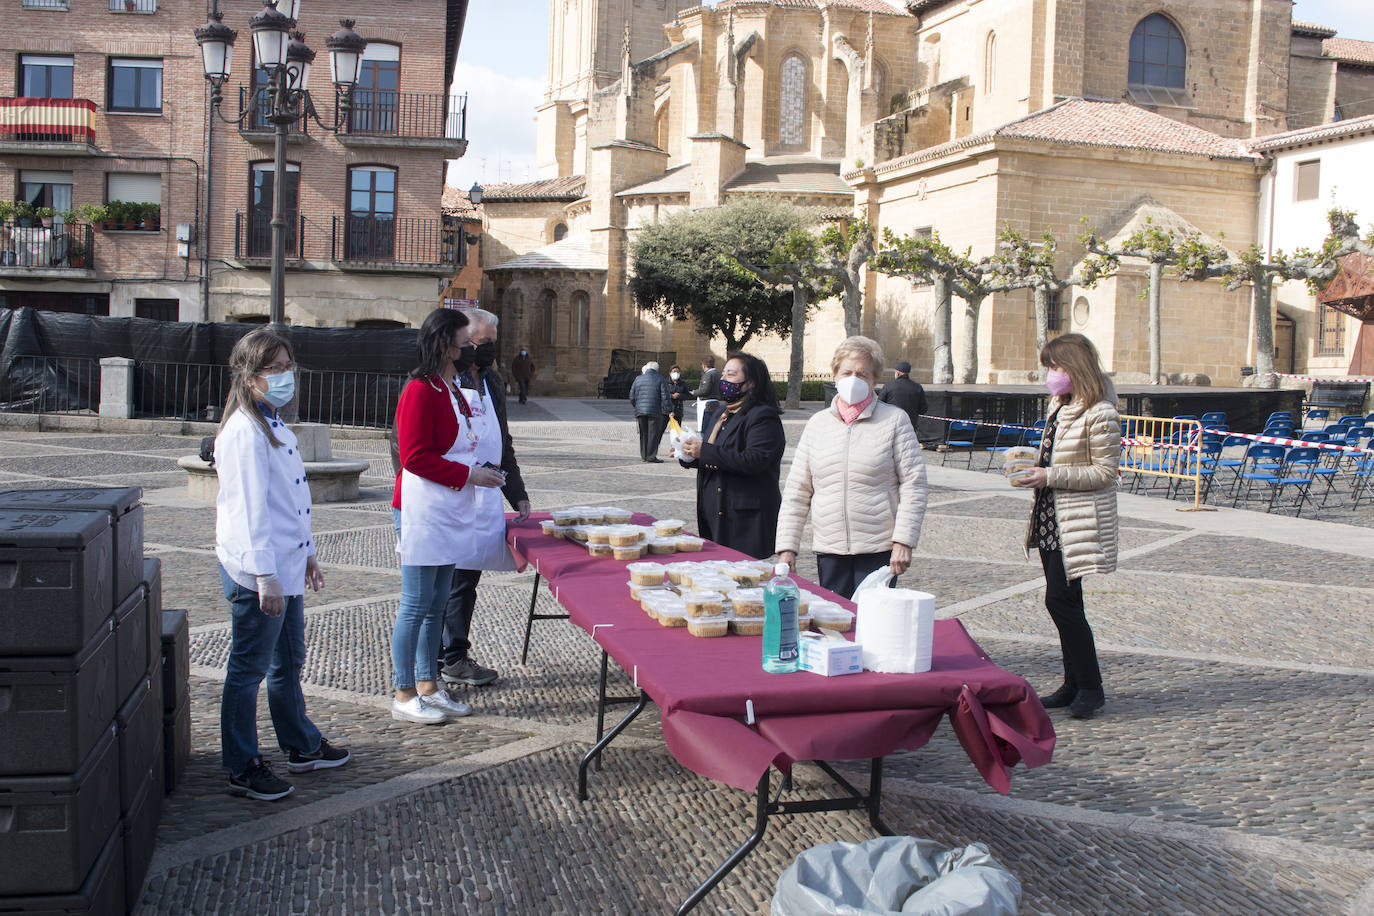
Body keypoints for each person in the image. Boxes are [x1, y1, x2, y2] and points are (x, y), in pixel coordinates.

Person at [214, 327, 349, 801]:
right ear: (250, 377)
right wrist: (265, 576)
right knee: (249, 669)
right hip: (259, 571)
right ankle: (241, 763)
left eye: (289, 366)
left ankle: (299, 743)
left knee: (288, 661)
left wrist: (307, 553)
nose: (285, 375)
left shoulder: (273, 425)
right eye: (274, 368)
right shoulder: (244, 432)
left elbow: (291, 502)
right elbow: (250, 511)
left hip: (285, 566)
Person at [391, 308, 506, 725]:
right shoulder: (420, 389)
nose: (469, 350)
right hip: (422, 507)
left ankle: (428, 685)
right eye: (463, 343)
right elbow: (414, 456)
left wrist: (483, 472)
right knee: (416, 603)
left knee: (437, 603)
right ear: (444, 343)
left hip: (448, 504)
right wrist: (469, 474)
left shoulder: (451, 388)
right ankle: (403, 690)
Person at [1010, 333, 1120, 720]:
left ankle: (1091, 687)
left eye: (1055, 367)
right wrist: (1032, 468)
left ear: (1074, 368)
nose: (1051, 375)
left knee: (1061, 601)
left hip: (1075, 520)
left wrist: (1050, 475)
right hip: (1051, 516)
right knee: (1067, 602)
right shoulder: (1061, 406)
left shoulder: (1100, 412)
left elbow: (1105, 472)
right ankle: (1073, 683)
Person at [776, 336, 928, 599]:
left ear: (874, 379)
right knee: (834, 623)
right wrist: (787, 547)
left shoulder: (894, 421)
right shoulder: (817, 424)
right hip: (830, 548)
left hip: (878, 547)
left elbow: (914, 485)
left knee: (873, 627)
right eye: (847, 372)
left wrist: (904, 541)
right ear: (835, 374)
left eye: (862, 374)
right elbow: (797, 491)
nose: (853, 379)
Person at [440, 309, 530, 689]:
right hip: (447, 494)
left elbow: (501, 439)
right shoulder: (442, 380)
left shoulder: (492, 379)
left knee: (466, 580)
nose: (485, 350)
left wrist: (518, 493)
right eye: (478, 343)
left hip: (484, 494)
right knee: (440, 582)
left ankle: (454, 656)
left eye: (491, 343)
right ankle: (435, 662)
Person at [678, 353, 785, 559]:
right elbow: (716, 453)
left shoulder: (762, 416)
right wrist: (689, 454)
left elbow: (754, 460)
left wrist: (704, 451)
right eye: (724, 373)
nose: (724, 379)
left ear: (750, 383)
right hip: (715, 511)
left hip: (743, 518)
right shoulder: (722, 412)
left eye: (731, 374)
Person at [629, 361, 672, 463]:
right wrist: (670, 409)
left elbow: (632, 396)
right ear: (657, 369)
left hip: (640, 412)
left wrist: (637, 406)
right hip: (654, 411)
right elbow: (665, 396)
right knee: (653, 434)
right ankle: (651, 456)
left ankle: (644, 455)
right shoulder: (660, 379)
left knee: (643, 433)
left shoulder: (638, 379)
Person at [878, 359, 927, 436]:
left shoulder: (889, 386)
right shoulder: (917, 387)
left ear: (897, 373)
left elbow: (879, 404)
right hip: (910, 426)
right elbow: (923, 409)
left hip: (891, 424)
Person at [692, 355, 722, 432]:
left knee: (705, 429)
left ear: (704, 365)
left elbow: (705, 390)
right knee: (713, 428)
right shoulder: (718, 374)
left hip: (707, 405)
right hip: (716, 403)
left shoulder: (709, 374)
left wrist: (693, 392)